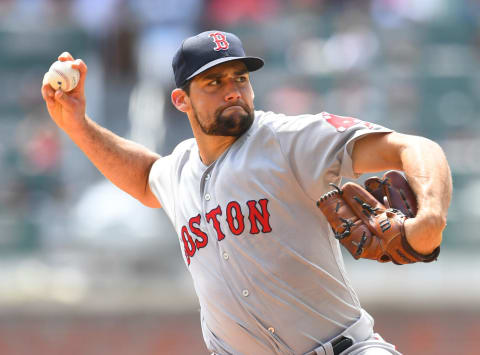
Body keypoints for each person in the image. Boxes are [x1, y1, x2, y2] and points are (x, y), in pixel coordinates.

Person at [41, 30, 452, 355]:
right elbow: (145, 175)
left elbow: (414, 147)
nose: (233, 90)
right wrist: (77, 124)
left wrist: (431, 216)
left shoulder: (288, 138)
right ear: (181, 100)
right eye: (214, 82)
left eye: (240, 78)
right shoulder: (178, 170)